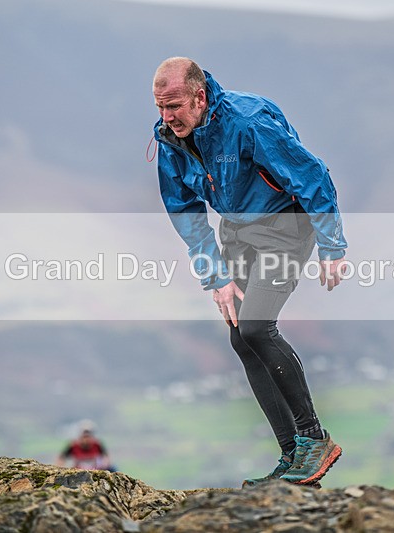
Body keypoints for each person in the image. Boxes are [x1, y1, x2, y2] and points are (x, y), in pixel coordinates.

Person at [151, 57, 348, 487]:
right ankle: (294, 455)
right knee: (241, 337)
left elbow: (311, 174)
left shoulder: (247, 121)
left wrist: (332, 245)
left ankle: (316, 440)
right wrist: (215, 276)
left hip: (286, 227)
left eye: (175, 106)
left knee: (258, 326)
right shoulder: (170, 138)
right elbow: (183, 210)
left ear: (200, 97)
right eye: (160, 107)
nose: (167, 117)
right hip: (239, 230)